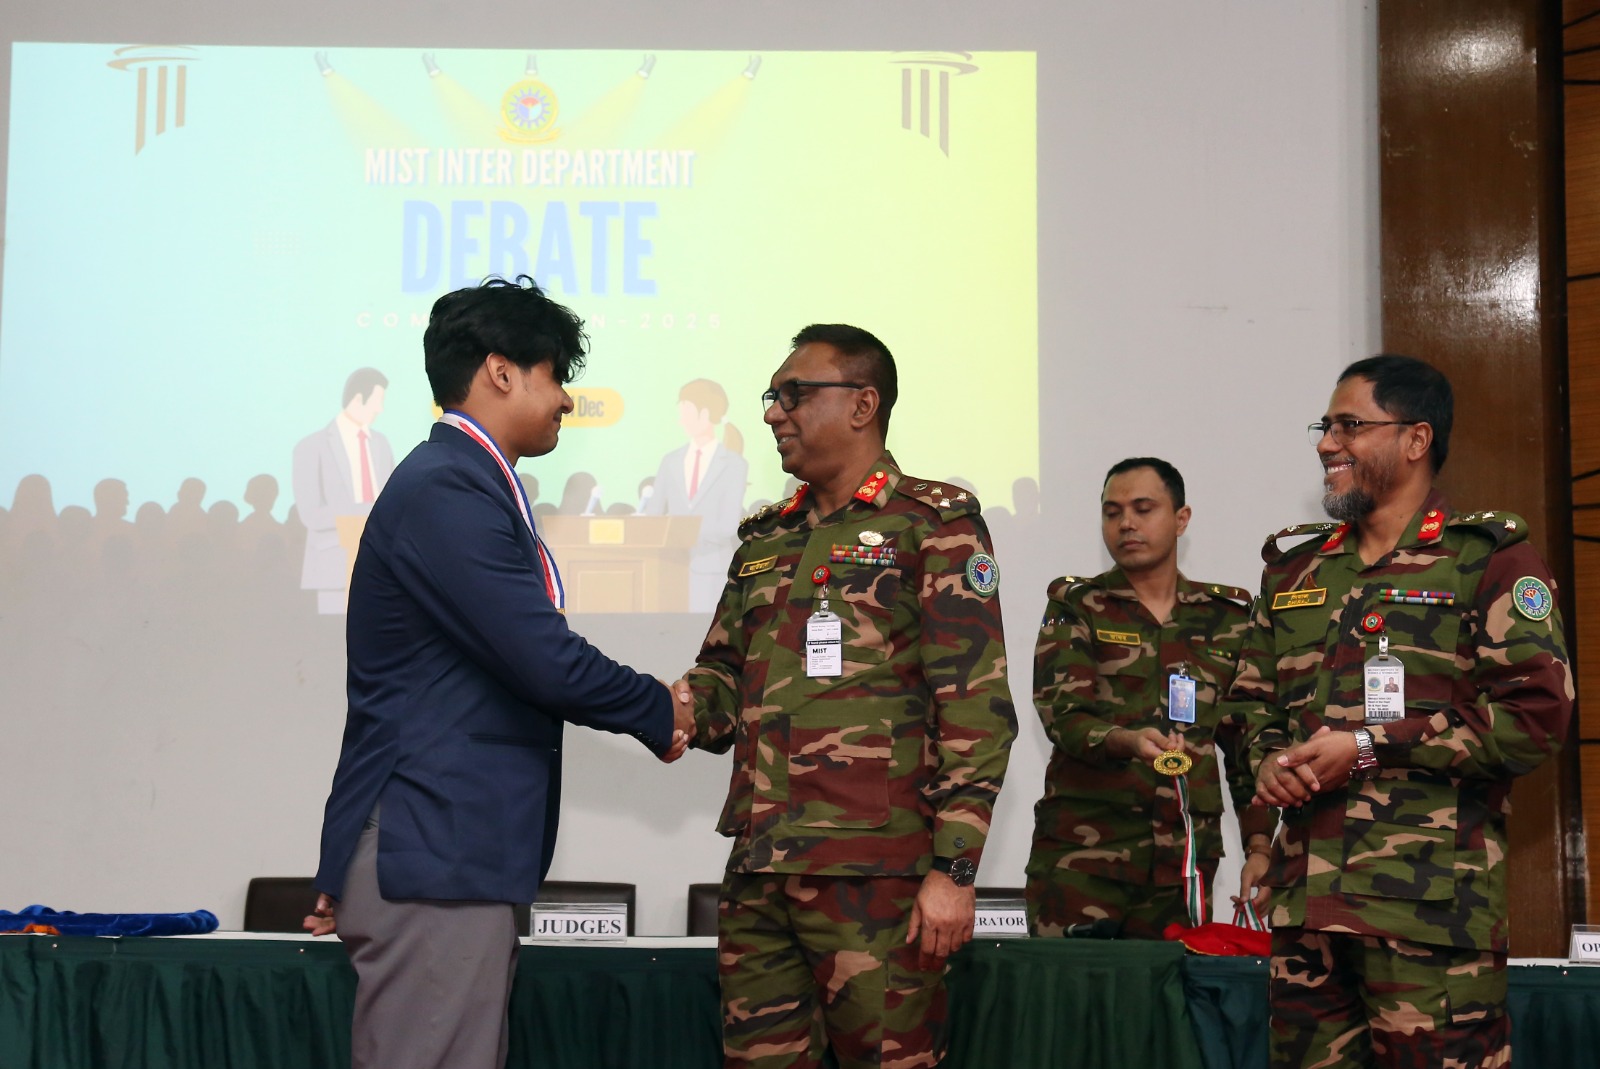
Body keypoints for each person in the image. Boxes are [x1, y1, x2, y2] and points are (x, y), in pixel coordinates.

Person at [304, 276, 694, 1069]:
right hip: (433, 847)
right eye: (556, 374)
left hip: (445, 851)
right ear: (501, 371)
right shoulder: (448, 486)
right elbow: (541, 657)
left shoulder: (464, 481)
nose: (566, 398)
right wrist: (659, 709)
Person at [678, 323, 1017, 1069]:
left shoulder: (934, 525)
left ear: (863, 404)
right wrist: (673, 707)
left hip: (878, 880)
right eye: (772, 397)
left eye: (794, 394)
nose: (775, 413)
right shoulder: (765, 538)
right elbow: (722, 674)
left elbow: (977, 711)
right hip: (761, 869)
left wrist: (955, 871)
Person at [1228, 355, 1573, 1068]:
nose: (1328, 444)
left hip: (1429, 914)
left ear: (1416, 439)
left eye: (1350, 426)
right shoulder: (1295, 570)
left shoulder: (1488, 560)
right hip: (1306, 912)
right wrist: (1266, 763)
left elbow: (1535, 717)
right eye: (1326, 427)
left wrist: (1369, 745)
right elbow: (1250, 706)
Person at [1025, 457, 1274, 939]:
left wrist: (1260, 847)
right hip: (1085, 858)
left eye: (1143, 509)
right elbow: (1064, 717)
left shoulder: (1229, 617)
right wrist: (1127, 740)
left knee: (1170, 987)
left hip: (1184, 862)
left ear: (1181, 519)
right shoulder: (1077, 606)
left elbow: (1248, 746)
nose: (1126, 524)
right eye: (1112, 512)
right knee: (1074, 988)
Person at [640, 378, 750, 613]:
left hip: (712, 570)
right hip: (668, 570)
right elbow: (653, 515)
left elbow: (729, 524)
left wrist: (684, 533)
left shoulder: (734, 464)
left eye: (686, 413)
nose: (681, 420)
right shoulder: (670, 461)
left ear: (705, 413)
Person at [292, 368, 394, 614]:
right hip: (333, 567)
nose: (380, 409)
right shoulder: (311, 447)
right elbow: (310, 514)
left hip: (382, 567)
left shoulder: (381, 444)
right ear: (358, 399)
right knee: (333, 633)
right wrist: (364, 513)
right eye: (377, 401)